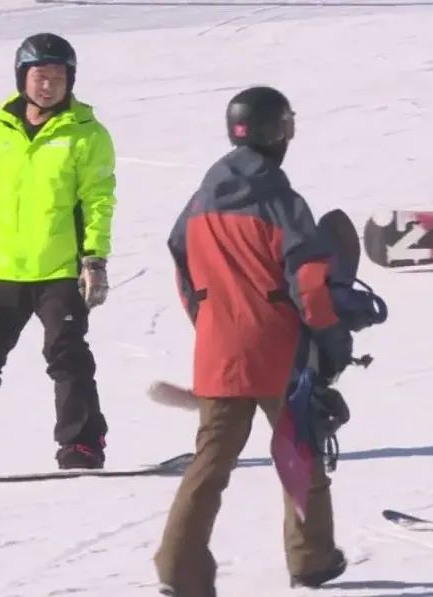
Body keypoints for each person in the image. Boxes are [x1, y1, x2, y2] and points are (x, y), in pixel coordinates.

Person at [154, 86, 353, 595]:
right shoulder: (282, 202)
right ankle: (310, 558)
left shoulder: (198, 202)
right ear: (279, 131)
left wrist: (209, 320)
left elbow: (181, 266)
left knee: (210, 463)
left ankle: (178, 570)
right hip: (280, 351)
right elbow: (308, 281)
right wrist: (330, 336)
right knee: (299, 451)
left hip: (220, 351)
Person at [0, 32, 116, 472]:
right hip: (2, 268)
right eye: (40, 76)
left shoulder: (85, 134)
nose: (48, 86)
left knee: (67, 356)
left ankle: (80, 446)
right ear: (23, 77)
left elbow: (98, 198)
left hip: (60, 269)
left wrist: (94, 258)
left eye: (57, 77)